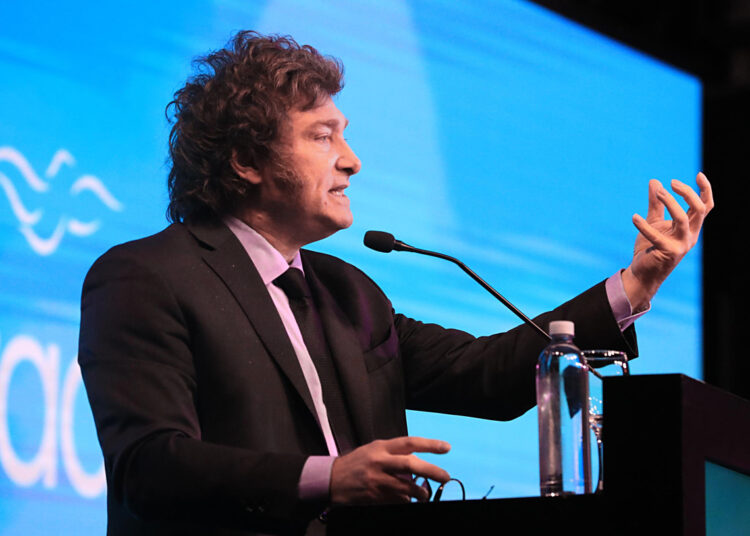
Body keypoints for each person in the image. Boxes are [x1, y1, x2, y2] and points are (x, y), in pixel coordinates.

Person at [78, 31, 713, 536]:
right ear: (245, 161)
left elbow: (488, 374)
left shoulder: (350, 292)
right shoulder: (147, 276)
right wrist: (325, 478)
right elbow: (150, 466)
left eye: (345, 135)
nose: (352, 160)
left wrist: (638, 282)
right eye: (322, 136)